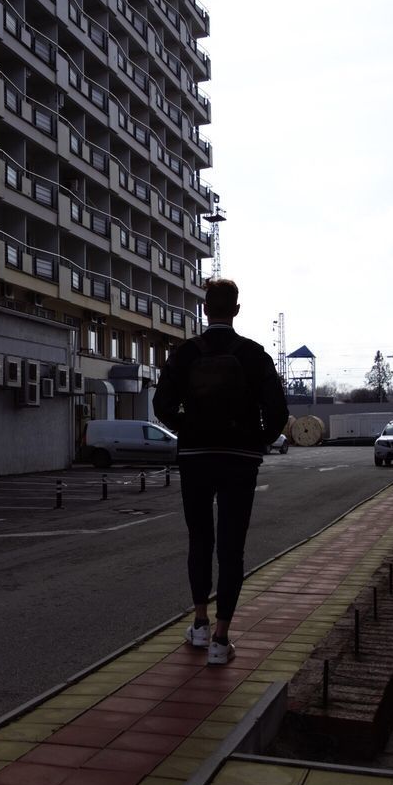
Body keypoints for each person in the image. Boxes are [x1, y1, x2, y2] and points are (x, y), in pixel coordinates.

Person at [152, 278, 289, 665]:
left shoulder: (185, 354)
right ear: (237, 309)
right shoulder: (253, 355)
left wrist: (190, 427)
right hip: (239, 460)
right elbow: (278, 412)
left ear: (205, 308)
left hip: (195, 457)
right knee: (232, 547)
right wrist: (256, 439)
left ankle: (199, 623)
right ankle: (221, 639)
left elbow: (162, 405)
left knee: (200, 540)